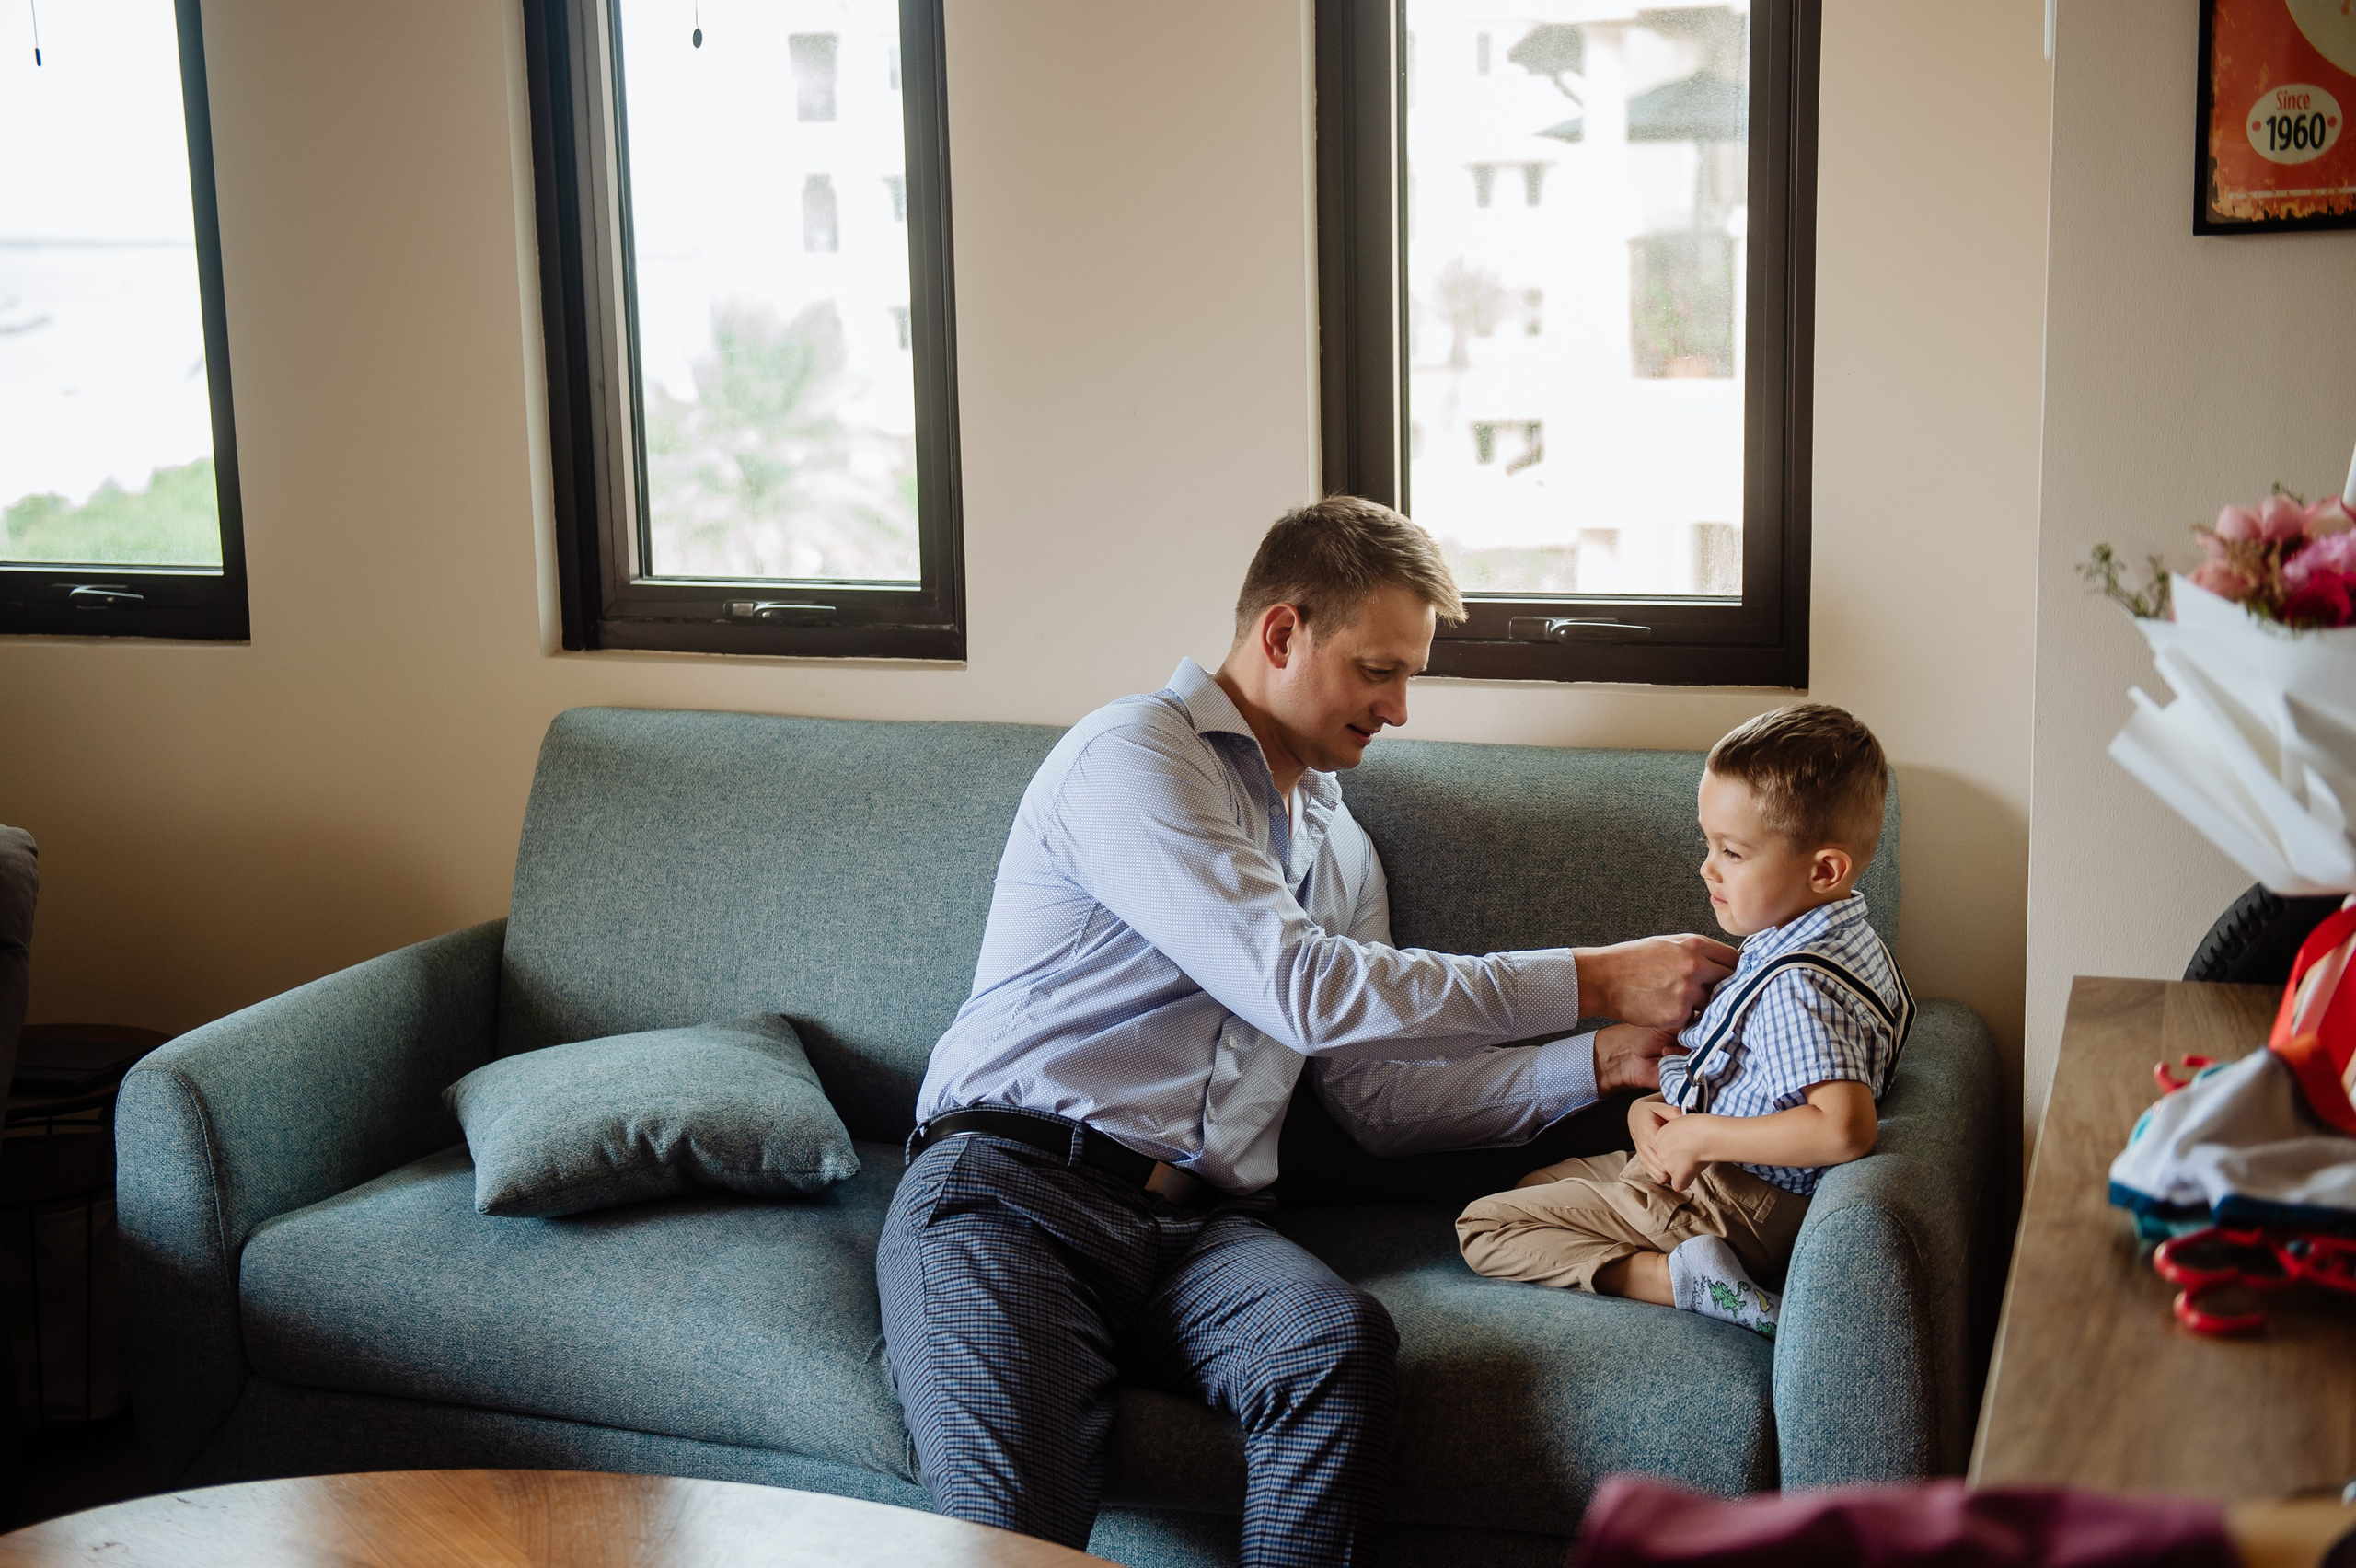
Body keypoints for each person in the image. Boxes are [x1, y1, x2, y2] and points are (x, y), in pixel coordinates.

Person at [875, 496, 1738, 1568]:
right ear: (1282, 635)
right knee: (1005, 1534)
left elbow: (1376, 1101)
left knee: (1335, 1347)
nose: (1401, 708)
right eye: (1379, 670)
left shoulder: (1339, 843)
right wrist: (1595, 980)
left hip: (1194, 1234)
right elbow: (1302, 987)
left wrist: (1598, 1060)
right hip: (1012, 1194)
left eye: (1410, 674)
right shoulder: (1136, 756)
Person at [1455, 704, 1914, 1340]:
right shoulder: (1840, 940)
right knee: (1537, 1184)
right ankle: (1691, 1262)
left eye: (1731, 851)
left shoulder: (1798, 983)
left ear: (1824, 870)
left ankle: (1690, 1283)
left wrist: (1700, 1138)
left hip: (1733, 1201)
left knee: (1486, 1228)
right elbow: (1757, 1075)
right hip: (1726, 1181)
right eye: (1709, 843)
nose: (1707, 867)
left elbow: (1843, 1130)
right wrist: (1660, 1111)